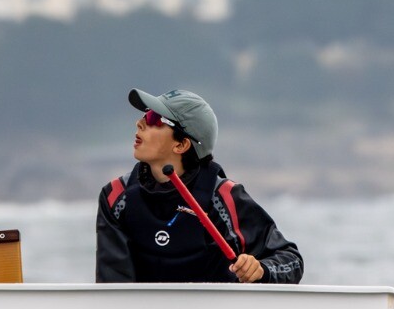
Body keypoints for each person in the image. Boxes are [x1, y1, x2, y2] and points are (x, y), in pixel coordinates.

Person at [96, 88, 303, 284]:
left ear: (181, 145)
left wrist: (261, 269)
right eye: (145, 114)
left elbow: (291, 260)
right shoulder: (115, 197)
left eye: (154, 118)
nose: (140, 123)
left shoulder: (223, 197)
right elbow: (113, 286)